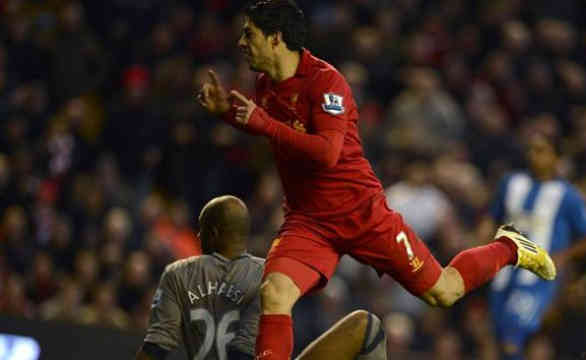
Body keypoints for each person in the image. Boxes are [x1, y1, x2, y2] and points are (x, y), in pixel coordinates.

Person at [196, 1, 556, 359]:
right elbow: (271, 128)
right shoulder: (265, 85)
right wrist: (226, 112)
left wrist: (264, 124)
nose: (241, 42)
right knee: (274, 292)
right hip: (308, 222)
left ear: (275, 38)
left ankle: (510, 247)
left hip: (362, 214)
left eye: (249, 33)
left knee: (444, 291)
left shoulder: (326, 82)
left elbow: (327, 152)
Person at [135, 195, 387, 360]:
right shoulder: (267, 274)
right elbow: (244, 350)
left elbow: (155, 348)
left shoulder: (177, 273)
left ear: (212, 232)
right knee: (367, 326)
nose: (199, 237)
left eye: (201, 231)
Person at [477, 133, 586, 359]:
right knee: (498, 335)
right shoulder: (511, 183)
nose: (534, 156)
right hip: (503, 273)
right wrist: (481, 246)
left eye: (542, 151)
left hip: (536, 278)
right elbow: (492, 219)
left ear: (556, 157)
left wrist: (564, 256)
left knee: (514, 335)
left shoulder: (567, 195)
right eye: (532, 150)